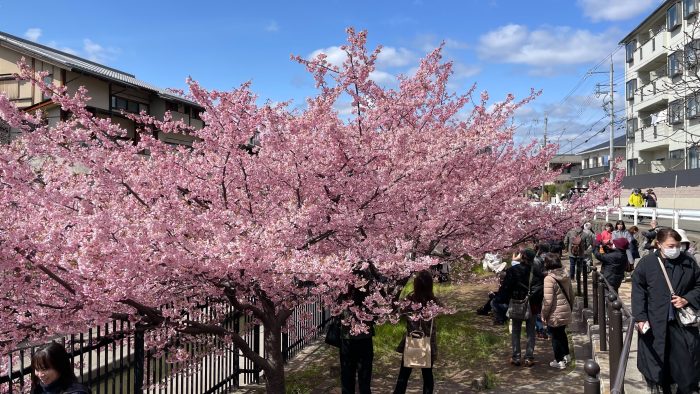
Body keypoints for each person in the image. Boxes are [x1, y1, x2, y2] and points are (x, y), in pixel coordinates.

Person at [632, 228, 700, 394]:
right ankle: (662, 386)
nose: (675, 249)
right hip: (655, 321)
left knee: (687, 361)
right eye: (671, 245)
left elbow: (699, 285)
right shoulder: (647, 263)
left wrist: (687, 299)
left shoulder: (689, 262)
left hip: (682, 322)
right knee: (657, 360)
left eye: (678, 245)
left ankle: (684, 387)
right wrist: (641, 318)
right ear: (659, 244)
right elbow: (638, 291)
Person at [393, 270, 440, 394]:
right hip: (428, 342)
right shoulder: (434, 302)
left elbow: (399, 313)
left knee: (404, 375)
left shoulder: (409, 300)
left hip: (412, 341)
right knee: (427, 375)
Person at [339, 262, 381, 394]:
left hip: (347, 339)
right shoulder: (368, 294)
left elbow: (336, 312)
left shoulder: (344, 293)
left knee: (347, 376)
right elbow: (375, 316)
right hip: (365, 339)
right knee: (365, 377)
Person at [501, 248, 540, 367]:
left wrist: (505, 301)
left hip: (517, 302)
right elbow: (540, 289)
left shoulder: (513, 270)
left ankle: (516, 356)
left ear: (522, 257)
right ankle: (529, 357)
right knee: (530, 331)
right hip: (532, 304)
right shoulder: (536, 272)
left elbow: (506, 287)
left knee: (516, 330)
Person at [541, 253, 574, 370]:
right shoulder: (565, 274)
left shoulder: (549, 278)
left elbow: (548, 301)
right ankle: (567, 355)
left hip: (555, 313)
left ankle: (559, 361)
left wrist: (543, 314)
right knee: (562, 333)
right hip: (565, 310)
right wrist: (570, 308)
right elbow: (571, 294)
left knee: (555, 336)